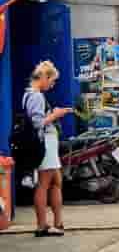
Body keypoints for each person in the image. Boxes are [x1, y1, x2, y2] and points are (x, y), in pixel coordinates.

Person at [25, 61, 70, 237]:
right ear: (44, 77)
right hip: (46, 142)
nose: (53, 84)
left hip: (47, 142)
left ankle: (57, 222)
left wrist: (53, 114)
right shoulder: (36, 96)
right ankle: (42, 225)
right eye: (52, 80)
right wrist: (55, 115)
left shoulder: (31, 95)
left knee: (55, 181)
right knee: (45, 184)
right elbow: (38, 122)